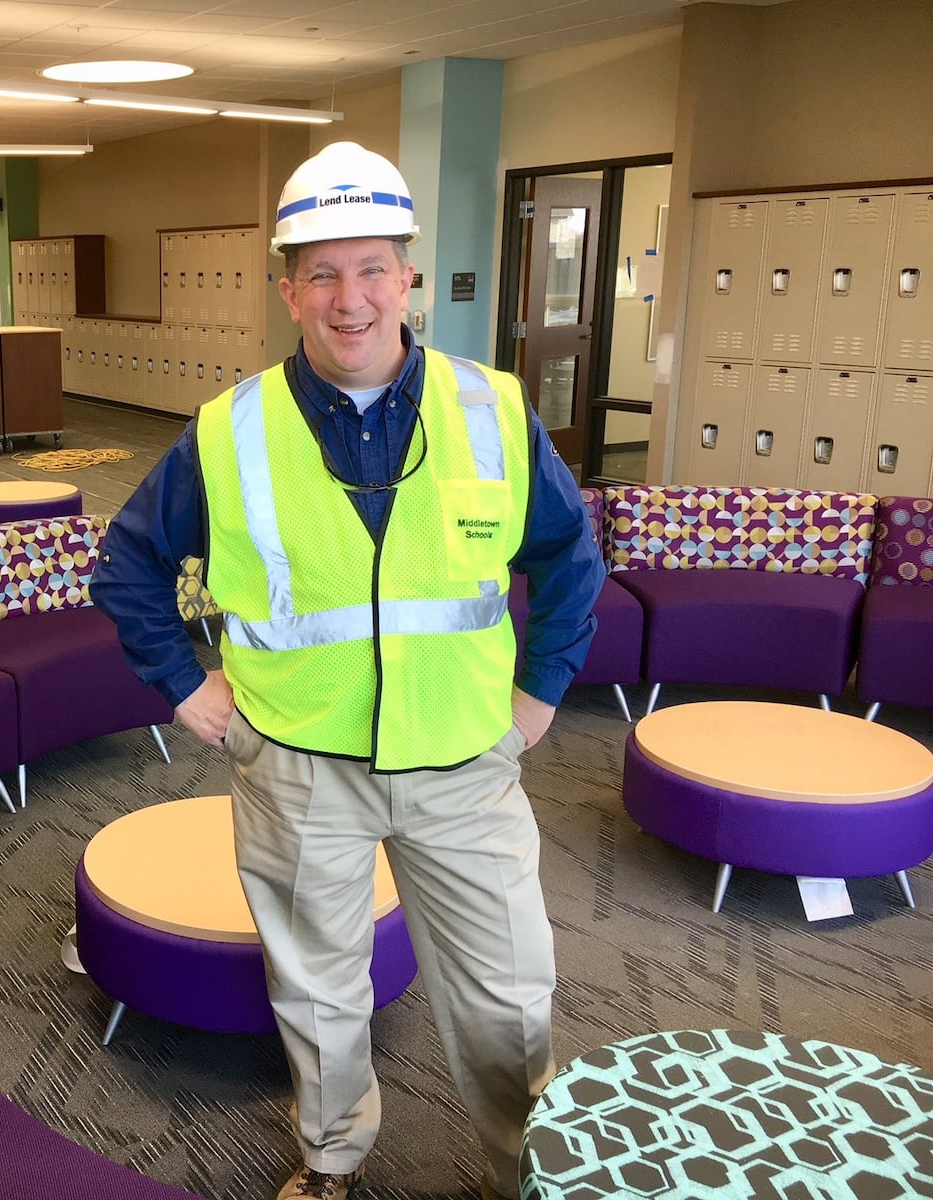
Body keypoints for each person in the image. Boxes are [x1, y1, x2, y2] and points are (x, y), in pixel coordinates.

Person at [92, 141, 605, 1200]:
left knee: (509, 994)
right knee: (318, 989)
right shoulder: (227, 432)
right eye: (321, 272)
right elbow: (129, 566)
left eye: (371, 268)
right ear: (288, 289)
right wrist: (191, 692)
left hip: (465, 759)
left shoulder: (493, 410)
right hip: (295, 764)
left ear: (409, 277)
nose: (349, 298)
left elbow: (569, 559)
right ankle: (331, 1156)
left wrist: (539, 693)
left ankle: (531, 1173)